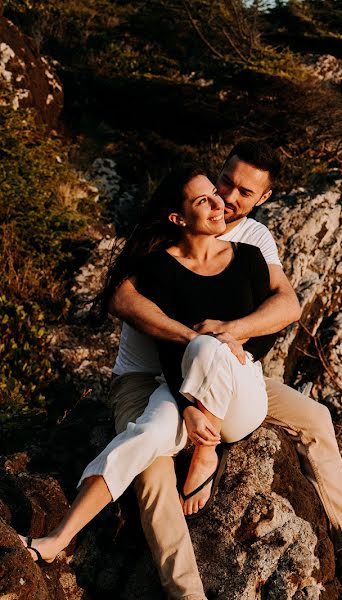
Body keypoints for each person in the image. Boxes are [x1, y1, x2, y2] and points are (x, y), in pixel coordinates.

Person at [22, 142, 342, 596]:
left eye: (243, 192)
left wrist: (231, 330)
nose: (229, 196)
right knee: (153, 470)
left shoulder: (253, 240)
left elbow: (287, 302)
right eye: (225, 182)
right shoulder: (164, 232)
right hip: (147, 376)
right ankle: (187, 591)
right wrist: (193, 337)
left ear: (262, 200)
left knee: (316, 418)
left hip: (226, 373)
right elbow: (122, 299)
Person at [19, 165, 278, 571]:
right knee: (148, 433)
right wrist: (188, 405)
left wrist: (233, 341)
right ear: (178, 218)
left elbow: (267, 331)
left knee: (208, 343)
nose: (219, 203)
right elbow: (168, 351)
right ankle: (57, 538)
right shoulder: (159, 268)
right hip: (185, 385)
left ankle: (206, 453)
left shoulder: (249, 256)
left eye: (215, 193)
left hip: (241, 396)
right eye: (203, 200)